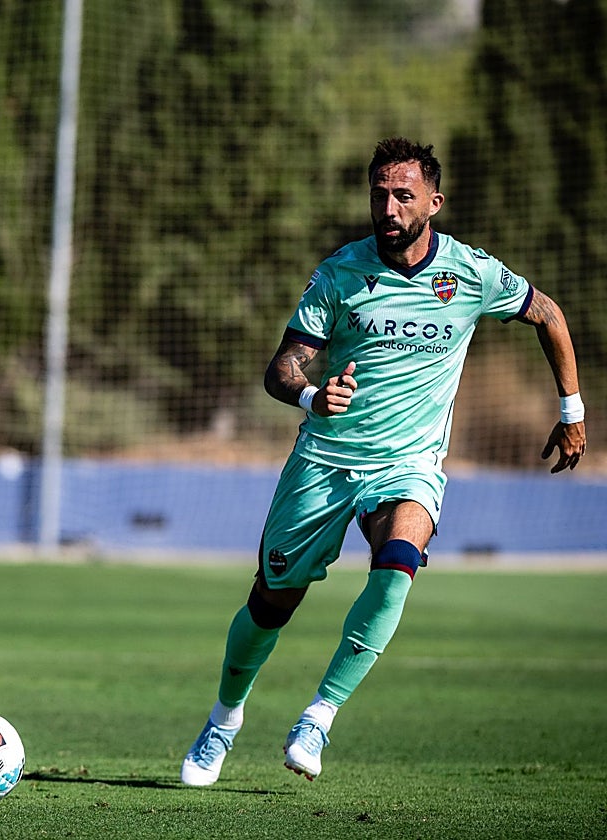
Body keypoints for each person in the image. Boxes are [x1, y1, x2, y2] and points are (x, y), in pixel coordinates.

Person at [181, 137, 586, 786]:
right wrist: (313, 395)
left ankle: (319, 716)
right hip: (325, 461)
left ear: (434, 202)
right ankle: (224, 718)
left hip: (409, 463)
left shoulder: (471, 273)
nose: (389, 207)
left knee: (399, 564)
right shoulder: (340, 274)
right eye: (379, 194)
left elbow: (548, 314)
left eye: (403, 195)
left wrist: (571, 411)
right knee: (271, 603)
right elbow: (282, 368)